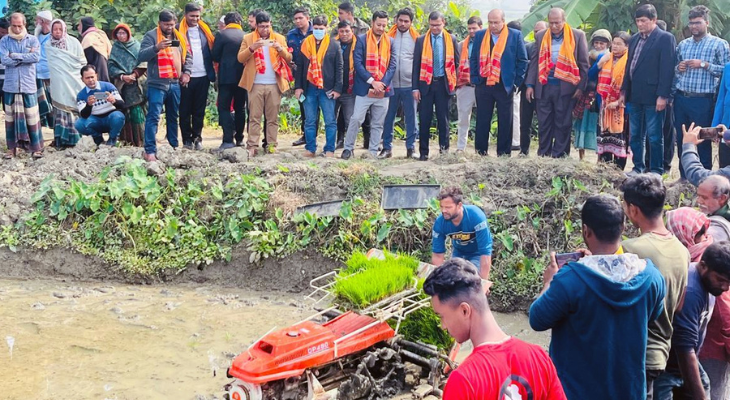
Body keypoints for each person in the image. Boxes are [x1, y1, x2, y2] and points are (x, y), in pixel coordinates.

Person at [530, 194, 666, 400]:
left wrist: (549, 282)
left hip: (576, 392)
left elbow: (537, 320)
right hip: (628, 391)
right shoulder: (651, 277)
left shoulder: (570, 280)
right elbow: (653, 314)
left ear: (586, 231)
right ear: (623, 228)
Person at [424, 258, 567, 400]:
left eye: (441, 316)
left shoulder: (463, 381)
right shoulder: (539, 358)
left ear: (464, 311)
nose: (442, 326)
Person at [620, 173, 690, 400]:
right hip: (660, 354)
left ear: (633, 209)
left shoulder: (629, 250)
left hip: (633, 354)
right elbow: (678, 306)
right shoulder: (682, 250)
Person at [653, 242, 730, 399]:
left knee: (704, 385)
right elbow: (684, 348)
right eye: (720, 279)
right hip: (668, 368)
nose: (725, 287)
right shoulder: (692, 292)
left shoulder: (708, 285)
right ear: (703, 266)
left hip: (682, 362)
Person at [674, 5, 730, 179]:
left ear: (707, 22)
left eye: (697, 23)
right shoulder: (683, 44)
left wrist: (704, 65)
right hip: (682, 97)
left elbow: (726, 71)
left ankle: (704, 178)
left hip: (703, 99)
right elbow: (675, 70)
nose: (694, 27)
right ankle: (684, 177)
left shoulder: (719, 44)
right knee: (683, 138)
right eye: (691, 23)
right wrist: (679, 67)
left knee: (703, 139)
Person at [525, 8, 589, 158]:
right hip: (544, 85)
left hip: (566, 87)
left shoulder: (577, 35)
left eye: (557, 23)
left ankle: (560, 154)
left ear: (564, 20)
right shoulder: (541, 36)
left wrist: (580, 88)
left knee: (563, 122)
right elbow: (534, 62)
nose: (554, 26)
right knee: (544, 122)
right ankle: (544, 153)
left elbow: (583, 64)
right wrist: (529, 85)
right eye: (551, 23)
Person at [621, 4, 676, 175]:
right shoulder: (635, 38)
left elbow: (667, 69)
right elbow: (629, 66)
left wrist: (663, 96)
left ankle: (656, 170)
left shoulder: (665, 38)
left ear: (653, 20)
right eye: (637, 21)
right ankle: (638, 167)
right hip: (635, 94)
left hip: (654, 96)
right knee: (635, 135)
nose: (640, 24)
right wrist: (624, 91)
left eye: (643, 20)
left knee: (654, 136)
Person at [469, 9, 527, 157]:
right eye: (490, 22)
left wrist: (516, 83)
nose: (493, 26)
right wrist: (475, 78)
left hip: (504, 84)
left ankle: (503, 153)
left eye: (496, 22)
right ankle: (481, 152)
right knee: (482, 119)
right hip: (484, 84)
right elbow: (474, 59)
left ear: (503, 21)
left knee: (505, 121)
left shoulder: (515, 35)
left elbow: (522, 61)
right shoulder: (481, 35)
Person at [138, 10, 193, 162]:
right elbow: (141, 55)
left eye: (172, 24)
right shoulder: (151, 36)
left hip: (175, 83)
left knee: (173, 116)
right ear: (160, 23)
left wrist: (186, 73)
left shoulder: (179, 36)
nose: (170, 27)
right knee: (153, 116)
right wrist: (156, 47)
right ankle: (149, 150)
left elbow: (187, 56)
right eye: (167, 24)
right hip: (157, 83)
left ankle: (173, 147)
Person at [340, 11, 396, 160]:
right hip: (365, 88)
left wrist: (381, 84)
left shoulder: (391, 41)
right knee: (356, 118)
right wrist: (372, 81)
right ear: (372, 23)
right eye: (379, 24)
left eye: (384, 25)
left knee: (378, 123)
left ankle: (372, 152)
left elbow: (392, 66)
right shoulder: (361, 40)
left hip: (383, 90)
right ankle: (348, 148)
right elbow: (357, 63)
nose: (381, 28)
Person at [237, 11, 292, 157]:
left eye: (267, 26)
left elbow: (288, 58)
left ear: (271, 25)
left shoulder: (279, 38)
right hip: (255, 84)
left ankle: (272, 146)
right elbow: (240, 58)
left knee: (272, 118)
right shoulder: (248, 38)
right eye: (262, 27)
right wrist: (252, 48)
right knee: (254, 117)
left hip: (274, 84)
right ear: (256, 26)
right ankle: (252, 146)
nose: (265, 30)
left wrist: (280, 50)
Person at [294, 15, 342, 158]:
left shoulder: (334, 45)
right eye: (316, 29)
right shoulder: (305, 43)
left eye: (321, 29)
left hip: (327, 89)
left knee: (330, 121)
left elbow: (339, 68)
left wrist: (338, 89)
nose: (318, 31)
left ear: (326, 29)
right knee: (309, 120)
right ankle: (310, 148)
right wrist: (298, 87)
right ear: (312, 28)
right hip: (309, 87)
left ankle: (329, 150)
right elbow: (300, 67)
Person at [413, 11, 459, 160]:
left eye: (437, 25)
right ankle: (423, 153)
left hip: (443, 85)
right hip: (426, 84)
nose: (435, 28)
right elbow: (416, 66)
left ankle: (444, 152)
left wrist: (453, 82)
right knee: (425, 119)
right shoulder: (421, 40)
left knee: (443, 119)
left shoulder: (451, 39)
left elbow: (456, 63)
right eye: (432, 25)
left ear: (443, 23)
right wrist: (415, 88)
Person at [0, 13, 43, 159]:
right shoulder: (5, 41)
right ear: (10, 25)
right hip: (11, 85)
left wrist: (15, 55)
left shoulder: (32, 40)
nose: (17, 29)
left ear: (24, 24)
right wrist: (25, 56)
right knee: (10, 119)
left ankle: (36, 148)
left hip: (28, 84)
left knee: (32, 117)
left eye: (20, 26)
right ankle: (12, 149)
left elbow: (36, 57)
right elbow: (4, 59)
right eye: (14, 26)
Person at [431, 186, 493, 285]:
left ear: (459, 205)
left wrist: (483, 283)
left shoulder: (476, 216)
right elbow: (438, 255)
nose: (443, 211)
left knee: (471, 282)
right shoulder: (440, 223)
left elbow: (485, 252)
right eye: (441, 207)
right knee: (453, 282)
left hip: (477, 254)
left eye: (448, 207)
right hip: (458, 253)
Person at [381, 8, 418, 159]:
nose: (403, 24)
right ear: (396, 20)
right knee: (388, 116)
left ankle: (411, 148)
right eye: (400, 20)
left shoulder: (417, 39)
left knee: (411, 117)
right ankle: (387, 148)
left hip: (409, 84)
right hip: (391, 84)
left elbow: (418, 62)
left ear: (411, 22)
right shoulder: (388, 37)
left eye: (406, 21)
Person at [178, 3, 216, 151]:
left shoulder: (204, 30)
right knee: (185, 110)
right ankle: (186, 140)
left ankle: (197, 138)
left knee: (199, 110)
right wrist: (181, 72)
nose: (195, 19)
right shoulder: (177, 30)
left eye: (197, 16)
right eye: (192, 16)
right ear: (185, 14)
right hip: (186, 76)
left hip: (203, 75)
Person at [45, 19, 86, 148]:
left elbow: (82, 62)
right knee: (59, 109)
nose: (57, 32)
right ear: (51, 30)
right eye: (55, 29)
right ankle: (61, 139)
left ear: (64, 30)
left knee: (73, 108)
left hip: (73, 80)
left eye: (60, 29)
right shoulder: (48, 45)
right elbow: (51, 65)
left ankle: (75, 139)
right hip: (57, 82)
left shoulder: (74, 42)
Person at [337, 2, 372, 149]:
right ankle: (341, 140)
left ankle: (367, 139)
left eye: (341, 13)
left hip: (361, 76)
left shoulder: (365, 28)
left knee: (364, 112)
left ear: (349, 14)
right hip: (342, 78)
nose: (338, 16)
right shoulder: (336, 29)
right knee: (343, 114)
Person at [594, 31, 630, 170]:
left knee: (620, 137)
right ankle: (605, 167)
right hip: (604, 104)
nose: (615, 46)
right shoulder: (606, 58)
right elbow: (591, 76)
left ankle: (618, 169)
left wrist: (619, 101)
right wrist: (599, 63)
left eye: (619, 44)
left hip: (621, 106)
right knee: (604, 135)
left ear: (626, 46)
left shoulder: (629, 61)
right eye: (613, 43)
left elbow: (630, 83)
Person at [573, 29, 610, 161]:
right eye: (596, 43)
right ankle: (581, 156)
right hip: (587, 94)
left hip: (602, 96)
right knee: (582, 123)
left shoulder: (610, 58)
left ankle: (600, 159)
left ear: (608, 45)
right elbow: (587, 75)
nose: (599, 46)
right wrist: (599, 64)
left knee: (598, 126)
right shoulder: (587, 57)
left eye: (602, 44)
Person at [108, 23, 147, 147]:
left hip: (137, 83)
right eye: (118, 33)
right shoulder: (116, 48)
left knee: (137, 112)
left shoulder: (136, 46)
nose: (121, 36)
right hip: (122, 84)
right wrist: (122, 76)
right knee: (125, 111)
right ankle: (127, 140)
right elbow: (111, 66)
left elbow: (143, 62)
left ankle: (141, 140)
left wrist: (134, 75)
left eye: (123, 33)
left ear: (128, 33)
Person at [212, 12, 246, 150]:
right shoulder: (246, 35)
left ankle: (227, 140)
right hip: (242, 77)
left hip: (226, 77)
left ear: (226, 23)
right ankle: (240, 138)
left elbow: (214, 55)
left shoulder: (222, 34)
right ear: (239, 22)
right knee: (240, 108)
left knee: (224, 107)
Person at [75, 64, 126, 146]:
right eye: (87, 78)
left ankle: (112, 139)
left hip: (110, 117)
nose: (91, 80)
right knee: (79, 124)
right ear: (82, 79)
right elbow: (83, 115)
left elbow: (123, 106)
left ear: (96, 76)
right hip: (95, 120)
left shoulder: (108, 86)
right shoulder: (81, 95)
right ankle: (98, 139)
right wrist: (89, 105)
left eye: (92, 77)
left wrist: (114, 100)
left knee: (118, 116)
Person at [288, 7, 316, 148]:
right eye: (296, 19)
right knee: (303, 105)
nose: (298, 21)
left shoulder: (316, 31)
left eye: (301, 18)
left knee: (317, 106)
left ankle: (314, 135)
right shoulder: (291, 35)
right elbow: (288, 53)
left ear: (307, 18)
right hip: (299, 75)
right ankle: (305, 135)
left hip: (315, 75)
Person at [519, 20, 548, 155]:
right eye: (536, 31)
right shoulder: (528, 47)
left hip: (544, 91)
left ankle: (543, 151)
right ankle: (524, 150)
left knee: (544, 123)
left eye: (541, 31)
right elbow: (522, 66)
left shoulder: (551, 48)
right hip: (527, 90)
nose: (538, 34)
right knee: (525, 122)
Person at [454, 16, 482, 153]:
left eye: (474, 28)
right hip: (465, 85)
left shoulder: (487, 43)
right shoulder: (461, 45)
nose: (472, 31)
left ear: (481, 28)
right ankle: (461, 147)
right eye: (469, 28)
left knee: (483, 117)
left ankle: (482, 148)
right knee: (463, 118)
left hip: (482, 86)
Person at [334, 20, 355, 151]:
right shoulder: (332, 44)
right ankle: (335, 143)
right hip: (334, 89)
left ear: (352, 31)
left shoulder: (358, 44)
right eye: (341, 31)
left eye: (347, 31)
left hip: (350, 89)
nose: (344, 34)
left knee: (350, 120)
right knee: (332, 119)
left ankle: (349, 147)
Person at [34, 10, 53, 128]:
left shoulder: (53, 36)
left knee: (53, 102)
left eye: (37, 20)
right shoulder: (37, 35)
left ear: (42, 21)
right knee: (42, 103)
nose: (36, 22)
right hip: (38, 75)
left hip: (50, 75)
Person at [78, 17, 111, 83]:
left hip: (94, 73)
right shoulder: (100, 34)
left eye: (80, 25)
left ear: (85, 25)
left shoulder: (89, 38)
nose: (78, 27)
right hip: (106, 69)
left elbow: (86, 60)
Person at [507, 20, 522, 152]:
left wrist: (517, 82)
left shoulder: (513, 43)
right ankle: (514, 140)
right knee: (514, 111)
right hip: (515, 83)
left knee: (514, 111)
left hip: (514, 84)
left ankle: (515, 141)